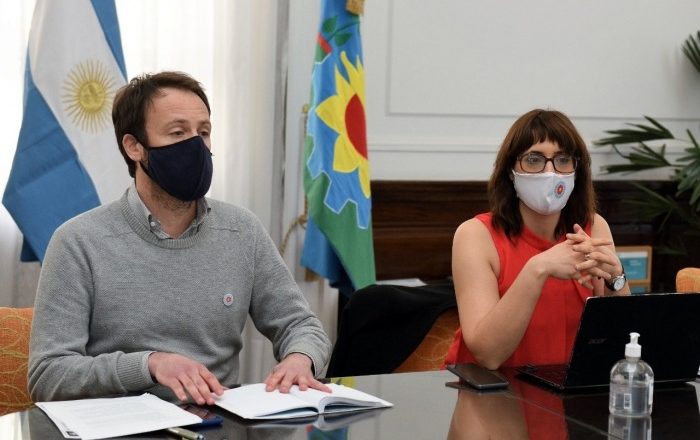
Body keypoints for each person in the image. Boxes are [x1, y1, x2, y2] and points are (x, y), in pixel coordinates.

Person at [28, 71, 331, 405]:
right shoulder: (78, 241)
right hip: (120, 424)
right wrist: (149, 365)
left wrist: (300, 358)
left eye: (203, 132)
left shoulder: (242, 230)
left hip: (219, 419)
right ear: (134, 147)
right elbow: (48, 375)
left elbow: (301, 325)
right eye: (177, 132)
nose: (196, 146)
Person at [445, 109, 630, 370]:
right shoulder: (475, 234)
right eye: (534, 159)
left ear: (577, 169)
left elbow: (620, 340)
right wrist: (538, 268)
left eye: (563, 159)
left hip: (568, 386)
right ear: (510, 170)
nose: (550, 171)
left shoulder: (594, 226)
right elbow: (488, 355)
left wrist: (616, 278)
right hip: (490, 388)